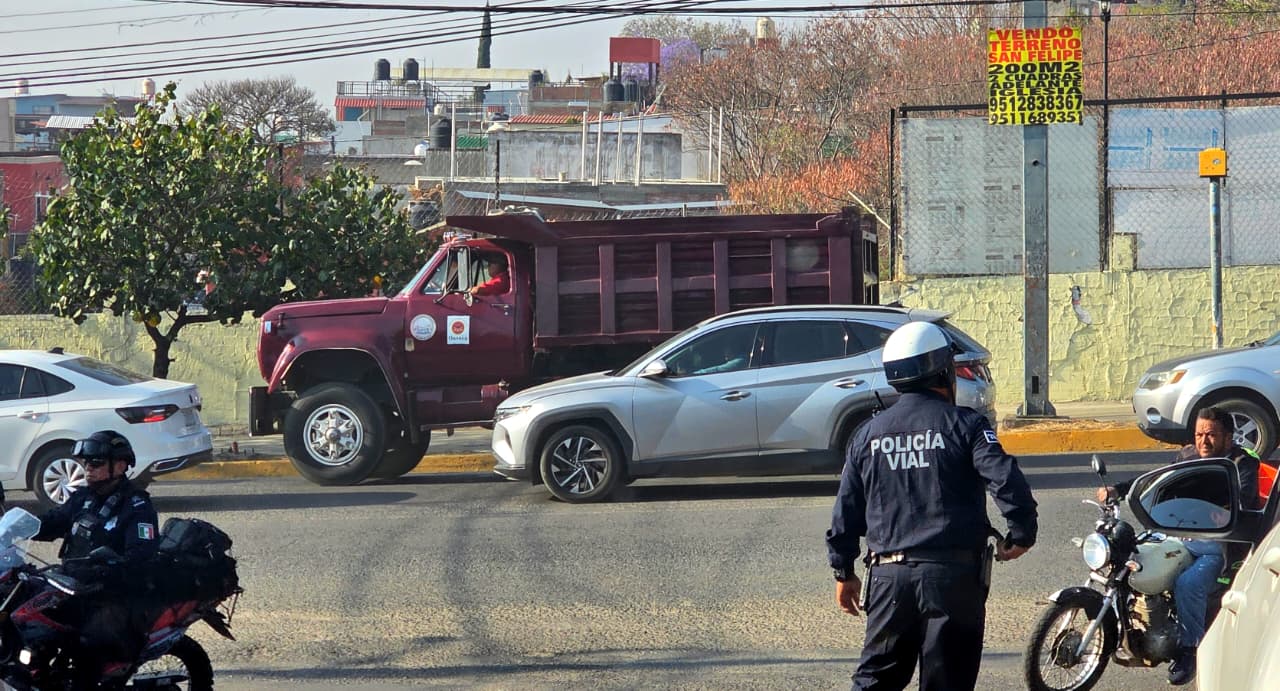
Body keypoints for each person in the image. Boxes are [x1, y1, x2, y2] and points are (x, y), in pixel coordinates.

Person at [826, 321, 1038, 691]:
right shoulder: (967, 425)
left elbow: (846, 509)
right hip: (952, 579)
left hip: (889, 579)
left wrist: (843, 572)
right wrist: (1020, 532)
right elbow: (1004, 477)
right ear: (942, 372)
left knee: (874, 682)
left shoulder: (867, 435)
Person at [1095, 406, 1259, 685]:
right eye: (1199, 434)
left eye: (1211, 435)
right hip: (1176, 533)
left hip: (1217, 545)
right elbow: (1160, 480)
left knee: (1189, 584)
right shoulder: (1188, 456)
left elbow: (1243, 500)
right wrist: (1119, 490)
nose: (1203, 442)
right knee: (1132, 558)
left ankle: (1190, 649)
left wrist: (1222, 511)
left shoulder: (1241, 463)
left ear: (1228, 437)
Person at [32, 430, 159, 684]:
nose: (88, 468)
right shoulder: (84, 498)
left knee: (86, 644)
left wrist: (107, 566)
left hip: (113, 594)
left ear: (120, 466)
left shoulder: (137, 506)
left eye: (96, 463)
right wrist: (18, 526)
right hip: (74, 585)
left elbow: (142, 554)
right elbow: (53, 522)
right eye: (86, 463)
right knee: (29, 620)